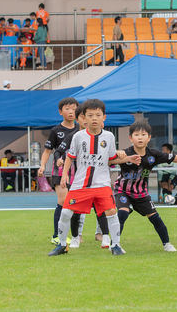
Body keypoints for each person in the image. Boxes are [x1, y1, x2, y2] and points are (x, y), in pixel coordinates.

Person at [49, 99, 128, 256]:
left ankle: (116, 245)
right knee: (65, 213)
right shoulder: (78, 136)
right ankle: (62, 245)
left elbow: (111, 158)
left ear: (104, 117)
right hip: (80, 184)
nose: (94, 118)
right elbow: (70, 157)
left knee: (111, 211)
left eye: (98, 115)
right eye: (90, 115)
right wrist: (64, 175)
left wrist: (126, 157)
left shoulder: (109, 136)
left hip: (102, 184)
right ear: (83, 118)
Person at [111, 120, 177, 252]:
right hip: (123, 190)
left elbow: (173, 157)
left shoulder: (154, 154)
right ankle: (115, 244)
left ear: (149, 137)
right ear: (130, 138)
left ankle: (167, 244)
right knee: (122, 213)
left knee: (155, 218)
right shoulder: (125, 152)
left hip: (141, 193)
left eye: (143, 134)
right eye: (136, 135)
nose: (140, 137)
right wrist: (118, 153)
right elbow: (110, 161)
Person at [38, 97, 79, 245]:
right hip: (60, 171)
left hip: (79, 172)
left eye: (74, 109)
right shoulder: (56, 131)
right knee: (63, 202)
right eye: (67, 109)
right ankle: (56, 235)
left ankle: (75, 236)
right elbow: (47, 151)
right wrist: (42, 166)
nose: (71, 112)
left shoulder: (81, 129)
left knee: (75, 204)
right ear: (60, 112)